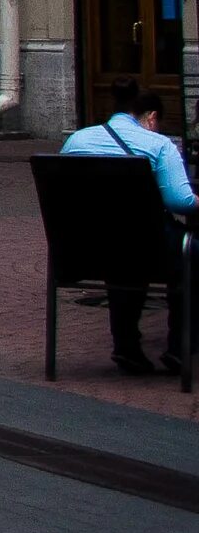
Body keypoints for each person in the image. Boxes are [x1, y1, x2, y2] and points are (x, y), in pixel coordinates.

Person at [60, 82, 194, 375]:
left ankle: (126, 345)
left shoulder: (76, 141)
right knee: (189, 251)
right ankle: (180, 345)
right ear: (149, 117)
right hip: (148, 249)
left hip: (86, 249)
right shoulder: (158, 145)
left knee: (122, 252)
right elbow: (180, 201)